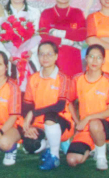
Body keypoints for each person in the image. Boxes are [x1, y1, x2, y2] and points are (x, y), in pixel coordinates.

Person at [66, 45, 109, 171]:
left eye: (98, 58)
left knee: (94, 124)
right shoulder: (77, 79)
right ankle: (94, 146)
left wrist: (87, 119)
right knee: (72, 160)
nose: (94, 61)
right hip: (86, 127)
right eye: (91, 56)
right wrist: (77, 122)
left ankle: (101, 157)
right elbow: (69, 102)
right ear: (86, 58)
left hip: (108, 124)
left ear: (104, 61)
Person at [21, 41, 74, 171]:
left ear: (56, 56)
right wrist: (29, 126)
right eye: (41, 54)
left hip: (61, 121)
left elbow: (59, 106)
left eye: (49, 54)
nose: (45, 57)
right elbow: (26, 106)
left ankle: (54, 156)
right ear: (38, 57)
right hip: (40, 123)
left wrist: (33, 113)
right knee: (30, 145)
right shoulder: (33, 78)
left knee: (50, 117)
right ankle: (51, 145)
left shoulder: (63, 78)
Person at [0, 0, 41, 88]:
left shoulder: (35, 13)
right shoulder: (1, 13)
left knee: (30, 90)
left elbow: (38, 36)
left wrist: (31, 51)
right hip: (9, 61)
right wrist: (8, 56)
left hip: (29, 59)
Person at [39, 0, 87, 77]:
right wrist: (69, 40)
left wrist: (56, 33)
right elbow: (44, 36)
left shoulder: (77, 13)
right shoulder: (46, 13)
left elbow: (82, 34)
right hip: (52, 61)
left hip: (73, 60)